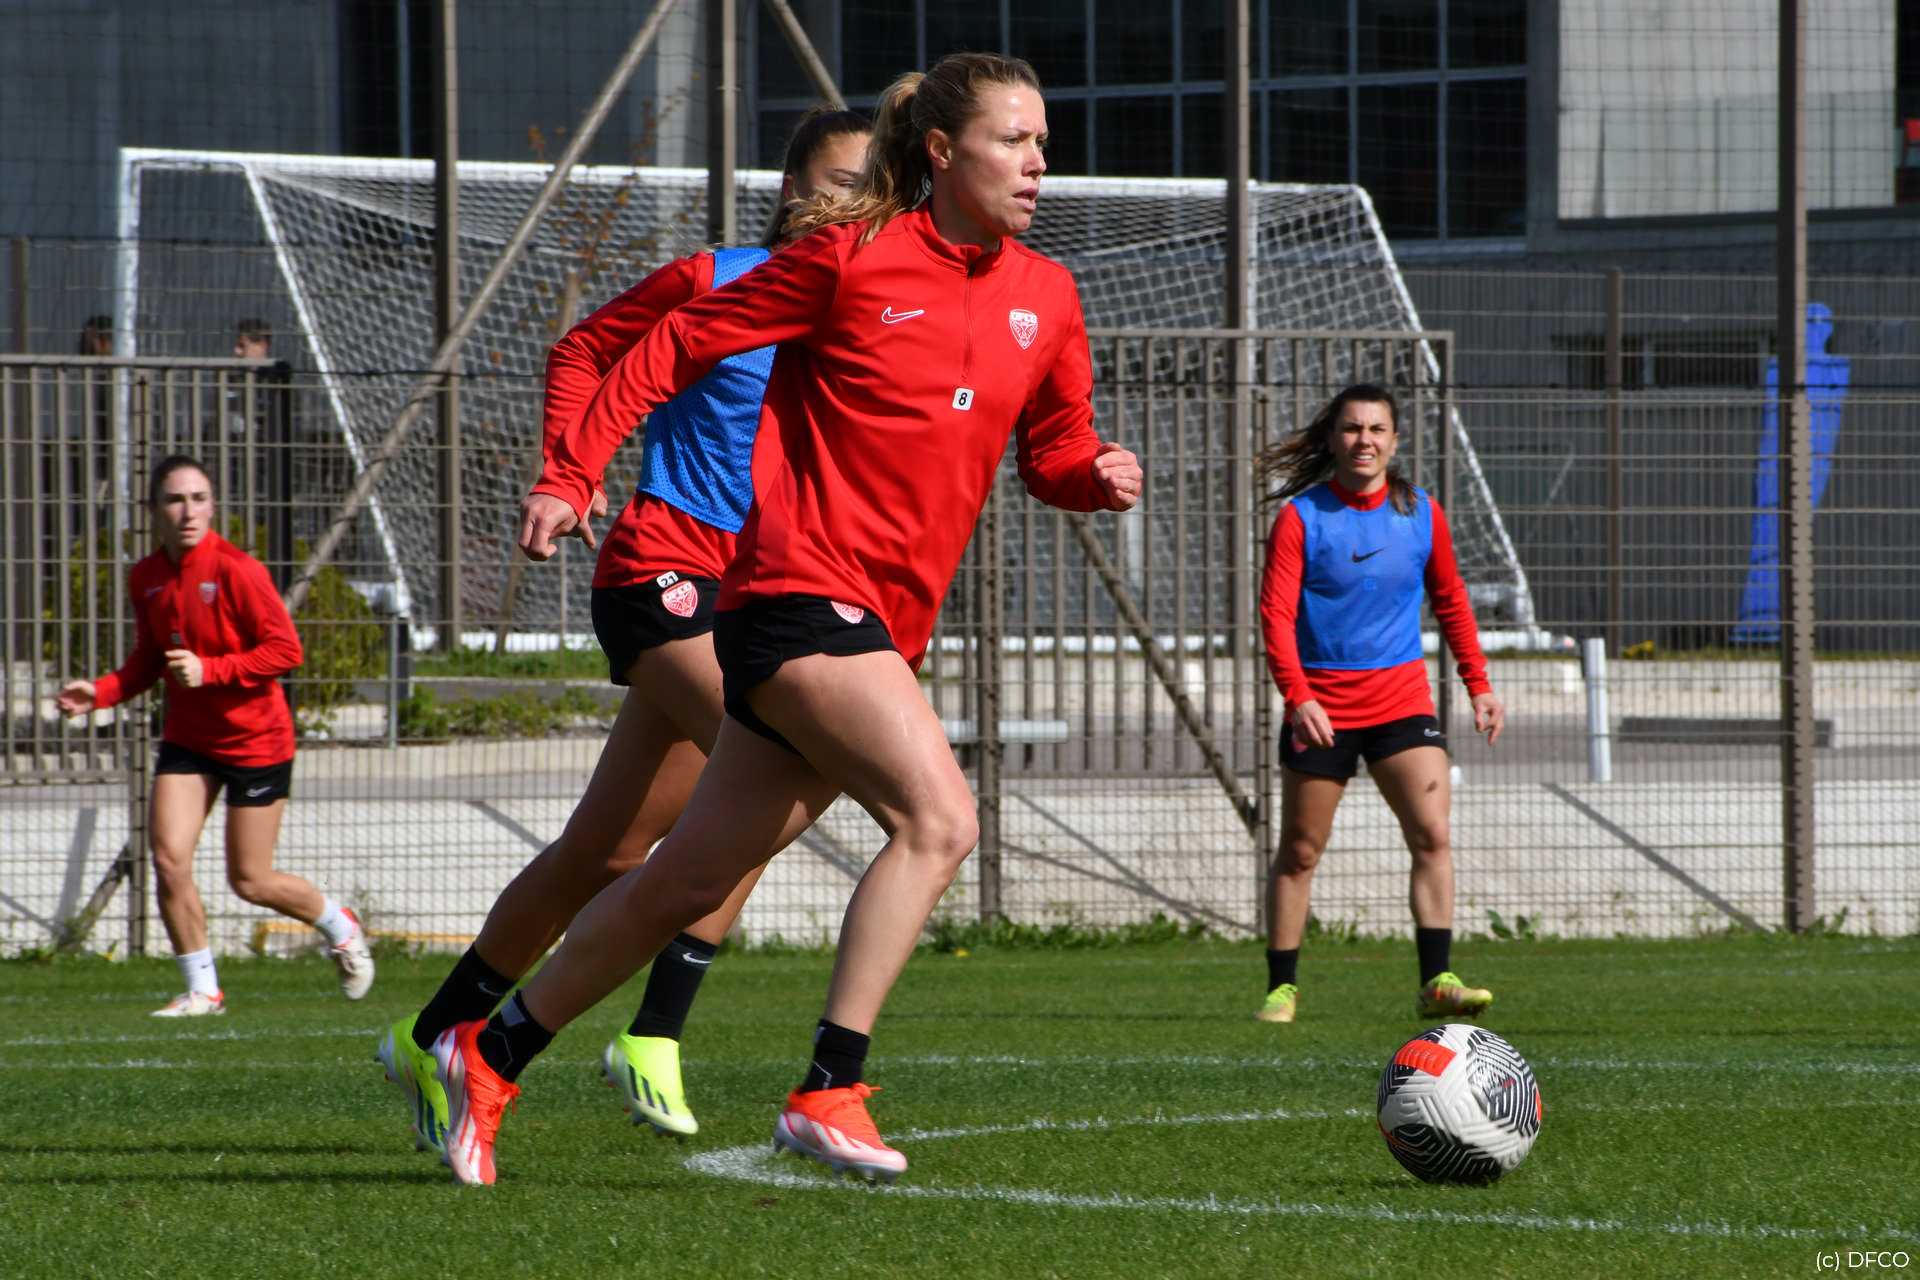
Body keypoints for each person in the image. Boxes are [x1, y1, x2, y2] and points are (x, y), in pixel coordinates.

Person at [432, 51, 1142, 1187]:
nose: (1037, 163)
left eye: (1043, 143)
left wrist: (1092, 473)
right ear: (943, 151)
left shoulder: (1047, 295)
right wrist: (571, 468)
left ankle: (488, 1053)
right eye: (1014, 140)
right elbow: (668, 345)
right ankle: (829, 1085)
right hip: (796, 596)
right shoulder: (849, 256)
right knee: (941, 819)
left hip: (883, 625)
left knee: (683, 880)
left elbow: (1050, 449)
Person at [374, 107, 873, 1160]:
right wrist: (571, 465)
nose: (858, 201)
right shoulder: (717, 278)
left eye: (878, 186)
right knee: (775, 768)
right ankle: (653, 1031)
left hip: (758, 596)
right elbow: (586, 349)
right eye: (841, 180)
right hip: (664, 571)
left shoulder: (870, 312)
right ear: (793, 191)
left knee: (605, 850)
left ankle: (432, 1035)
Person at [57, 455, 373, 1015]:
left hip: (257, 742)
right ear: (152, 510)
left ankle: (341, 927)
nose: (188, 511)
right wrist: (99, 693)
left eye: (198, 499)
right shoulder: (146, 576)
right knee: (168, 859)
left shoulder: (237, 570)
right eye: (175, 500)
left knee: (250, 881)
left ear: (212, 506)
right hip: (189, 740)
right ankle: (204, 991)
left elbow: (286, 651)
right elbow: (150, 659)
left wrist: (213, 670)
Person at [1252, 384, 1505, 1026]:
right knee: (1301, 851)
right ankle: (1282, 989)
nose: (1363, 440)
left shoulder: (1421, 512)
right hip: (1323, 710)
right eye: (1351, 428)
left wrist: (1478, 683)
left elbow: (1451, 598)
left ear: (1394, 441)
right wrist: (1298, 697)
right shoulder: (1301, 517)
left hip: (1401, 702)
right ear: (1332, 438)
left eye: (1376, 429)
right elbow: (1275, 615)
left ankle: (1437, 982)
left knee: (1433, 834)